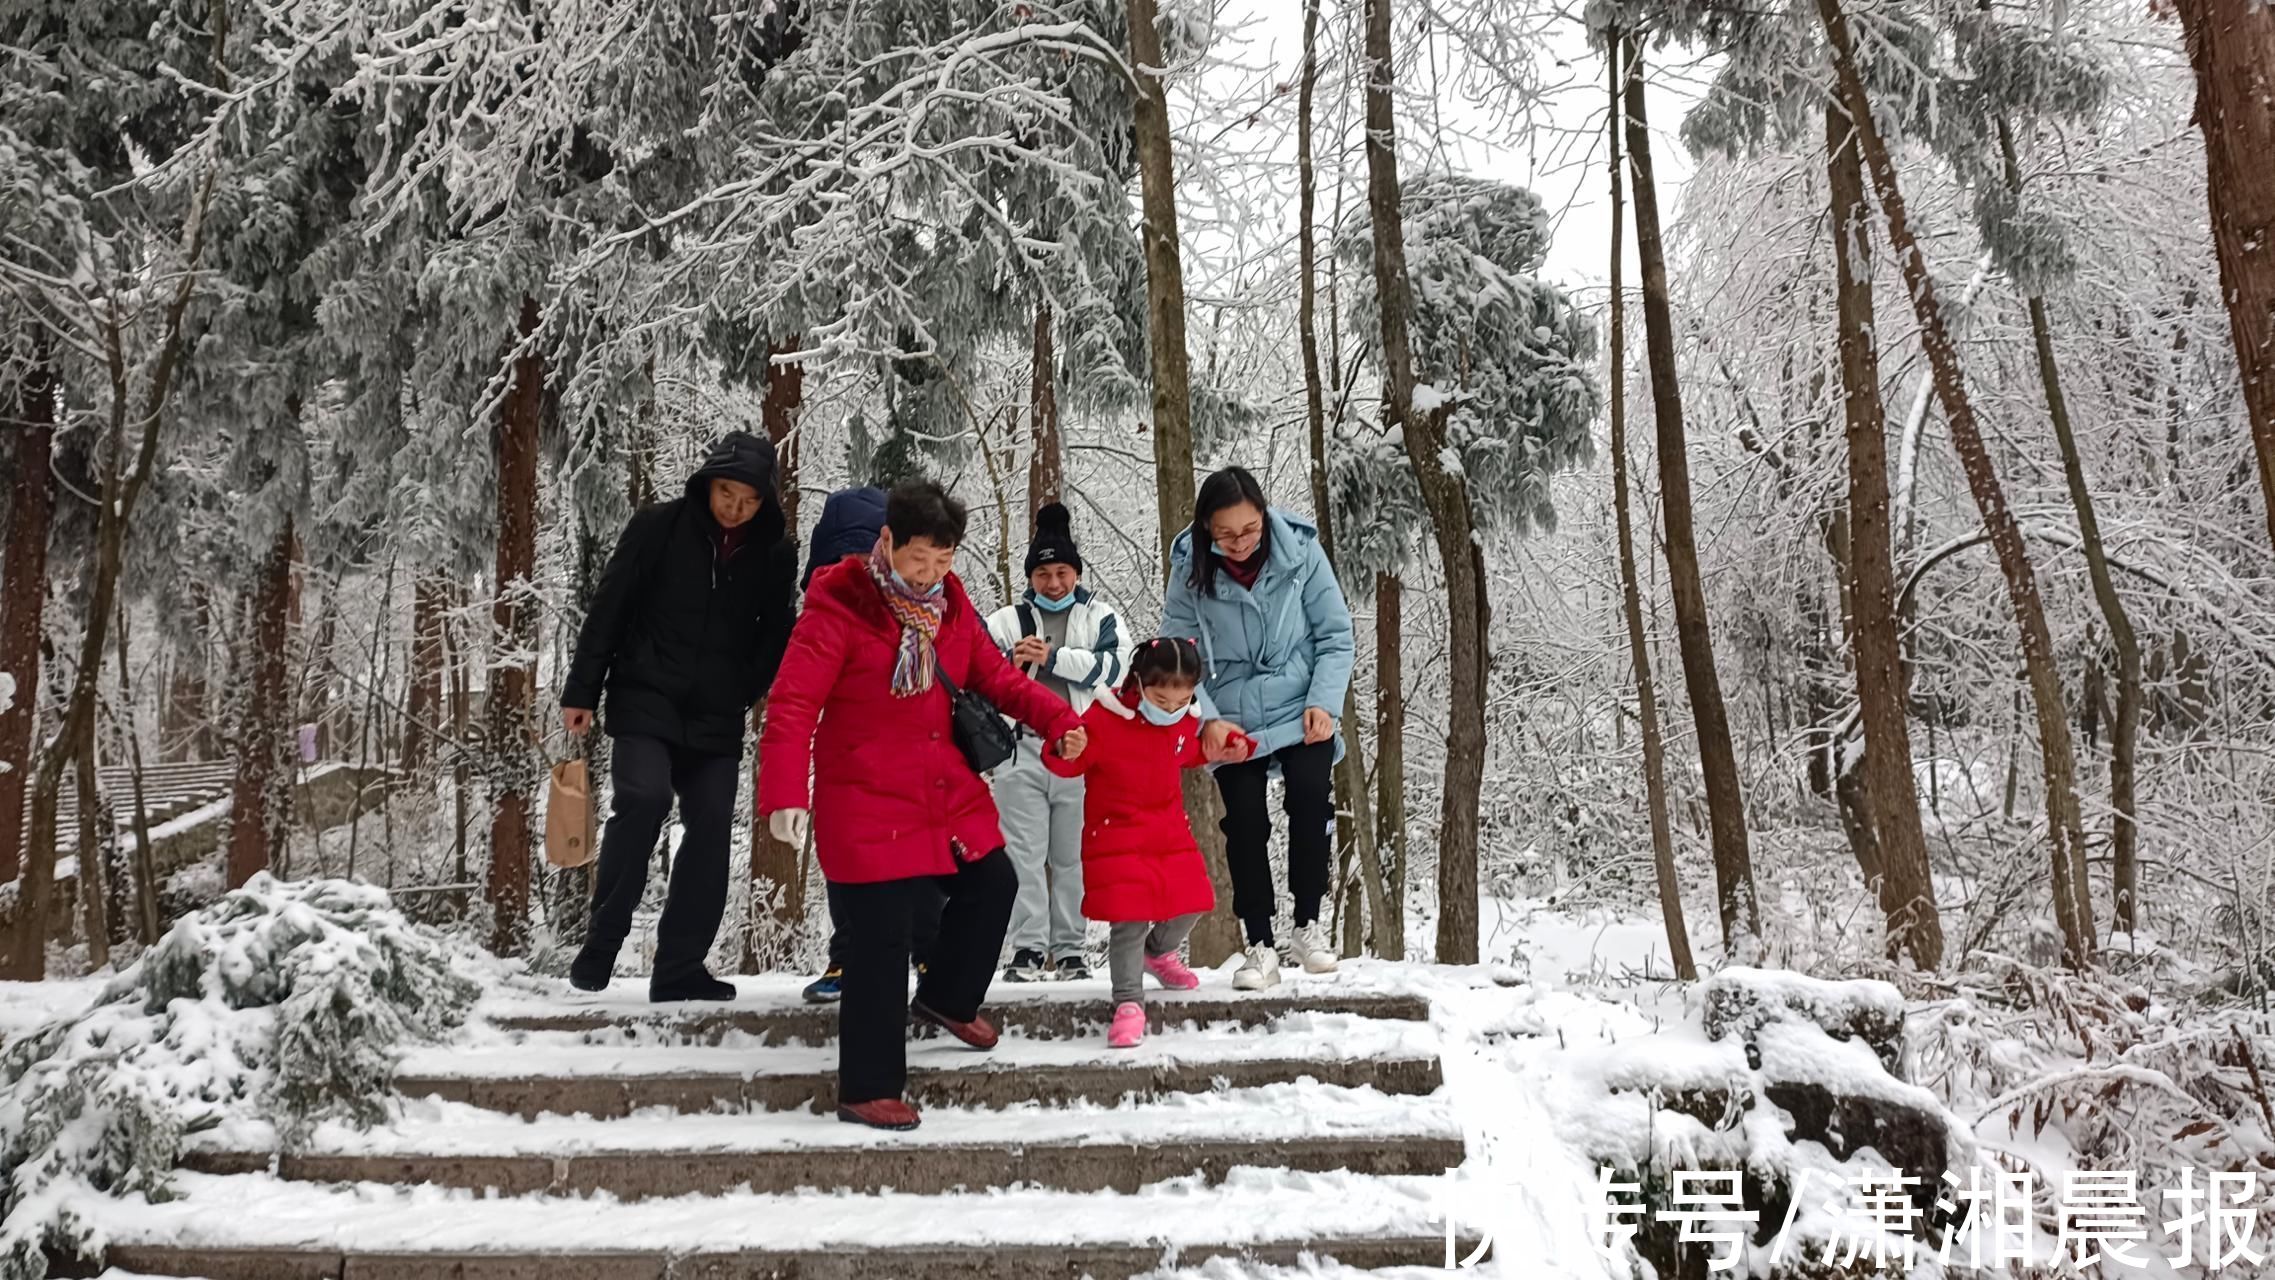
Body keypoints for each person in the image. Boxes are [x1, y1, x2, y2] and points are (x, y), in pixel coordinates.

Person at [758, 479, 1089, 1132]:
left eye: (943, 560)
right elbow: (793, 705)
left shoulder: (951, 605)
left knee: (993, 883)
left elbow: (991, 676)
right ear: (887, 541)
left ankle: (944, 1000)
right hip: (866, 798)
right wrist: (783, 794)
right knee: (880, 940)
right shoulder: (839, 608)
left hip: (944, 792)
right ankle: (867, 1087)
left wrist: (1054, 718)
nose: (930, 573)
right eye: (918, 560)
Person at [561, 431, 799, 1002]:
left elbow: (776, 632)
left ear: (764, 501)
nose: (735, 507)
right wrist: (582, 691)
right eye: (726, 493)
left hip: (716, 714)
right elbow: (609, 607)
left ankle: (679, 967)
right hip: (646, 697)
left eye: (748, 499)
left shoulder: (774, 552)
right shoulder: (657, 528)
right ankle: (603, 941)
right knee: (642, 799)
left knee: (713, 824)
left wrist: (745, 688)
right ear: (707, 483)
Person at [1161, 465, 1355, 992]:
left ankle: (1307, 926)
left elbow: (1336, 634)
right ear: (1206, 530)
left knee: (1311, 800)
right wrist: (1207, 715)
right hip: (1232, 711)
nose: (1240, 542)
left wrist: (1324, 702)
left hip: (1299, 700)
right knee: (1244, 822)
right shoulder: (1189, 570)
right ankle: (1259, 942)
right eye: (1225, 533)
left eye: (1249, 529)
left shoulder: (1301, 552)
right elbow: (1178, 654)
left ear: (1264, 517)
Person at [1043, 638, 1250, 1047]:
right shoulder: (1105, 718)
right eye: (1161, 699)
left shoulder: (1183, 720)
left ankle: (1157, 953)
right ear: (1138, 682)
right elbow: (1069, 760)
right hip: (1115, 831)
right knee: (1129, 918)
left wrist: (1230, 748)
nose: (1171, 708)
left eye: (1182, 700)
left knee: (1195, 900)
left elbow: (1191, 751)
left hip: (1168, 827)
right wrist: (1066, 746)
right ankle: (1128, 1002)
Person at [790, 486, 940, 1006]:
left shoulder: (924, 603)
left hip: (916, 758)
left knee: (921, 860)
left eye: (863, 557)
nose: (856, 569)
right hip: (850, 762)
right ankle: (847, 954)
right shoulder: (825, 611)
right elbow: (798, 697)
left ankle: (928, 953)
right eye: (842, 559)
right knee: (848, 863)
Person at [983, 502, 1127, 982]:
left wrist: (1052, 658)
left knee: (1071, 856)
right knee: (1021, 853)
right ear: (1031, 576)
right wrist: (1015, 660)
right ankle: (1026, 948)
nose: (1054, 583)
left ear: (1076, 571)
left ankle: (1069, 949)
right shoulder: (1005, 620)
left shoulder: (1101, 617)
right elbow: (977, 672)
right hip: (1019, 746)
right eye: (1043, 573)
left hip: (1082, 749)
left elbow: (1113, 669)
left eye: (1062, 571)